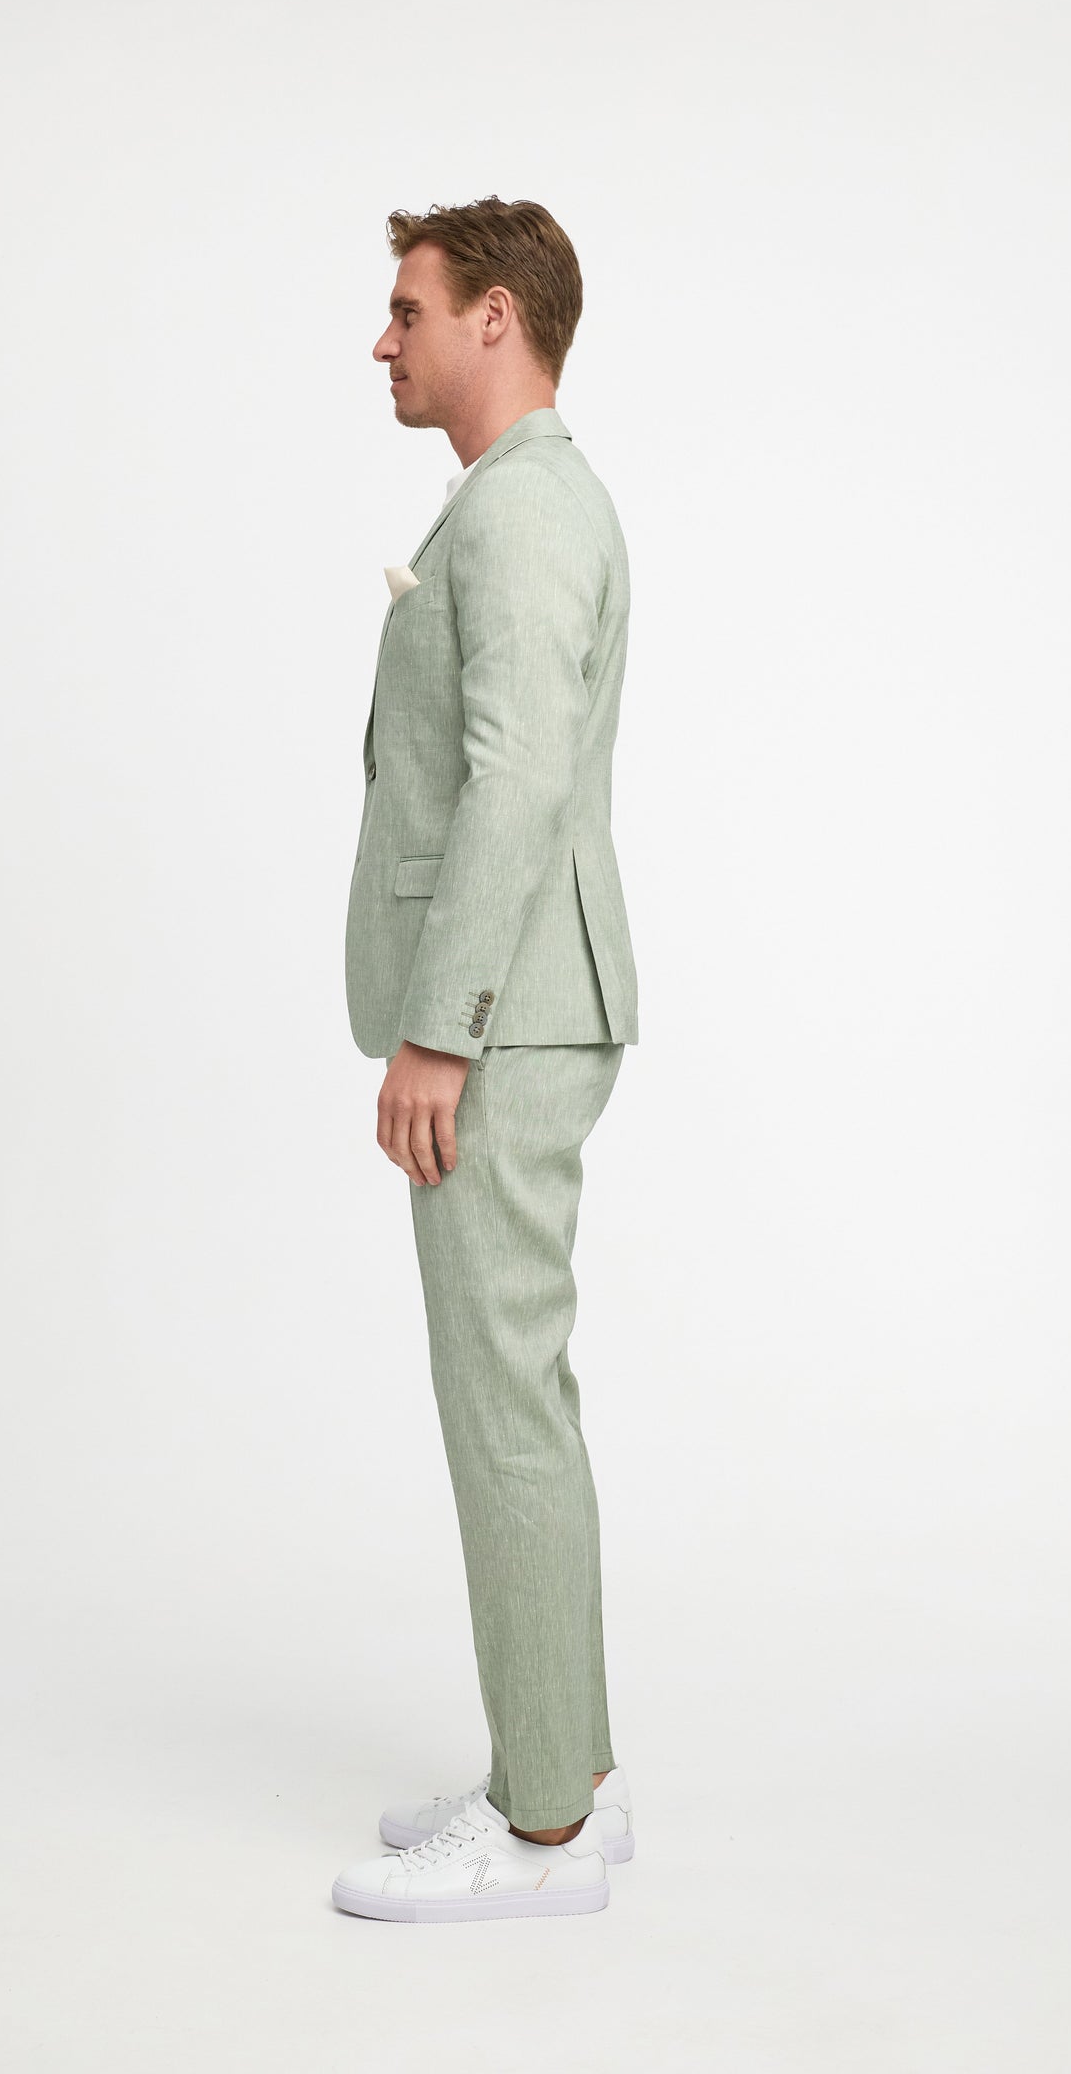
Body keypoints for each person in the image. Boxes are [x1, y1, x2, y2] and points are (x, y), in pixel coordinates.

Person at [335, 196, 639, 1923]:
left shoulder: (521, 512)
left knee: (502, 1406)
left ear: (494, 319)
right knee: (517, 1398)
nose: (383, 341)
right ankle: (561, 1772)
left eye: (407, 309)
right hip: (520, 1005)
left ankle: (540, 1843)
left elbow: (516, 776)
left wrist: (434, 1033)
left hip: (503, 1017)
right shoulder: (520, 502)